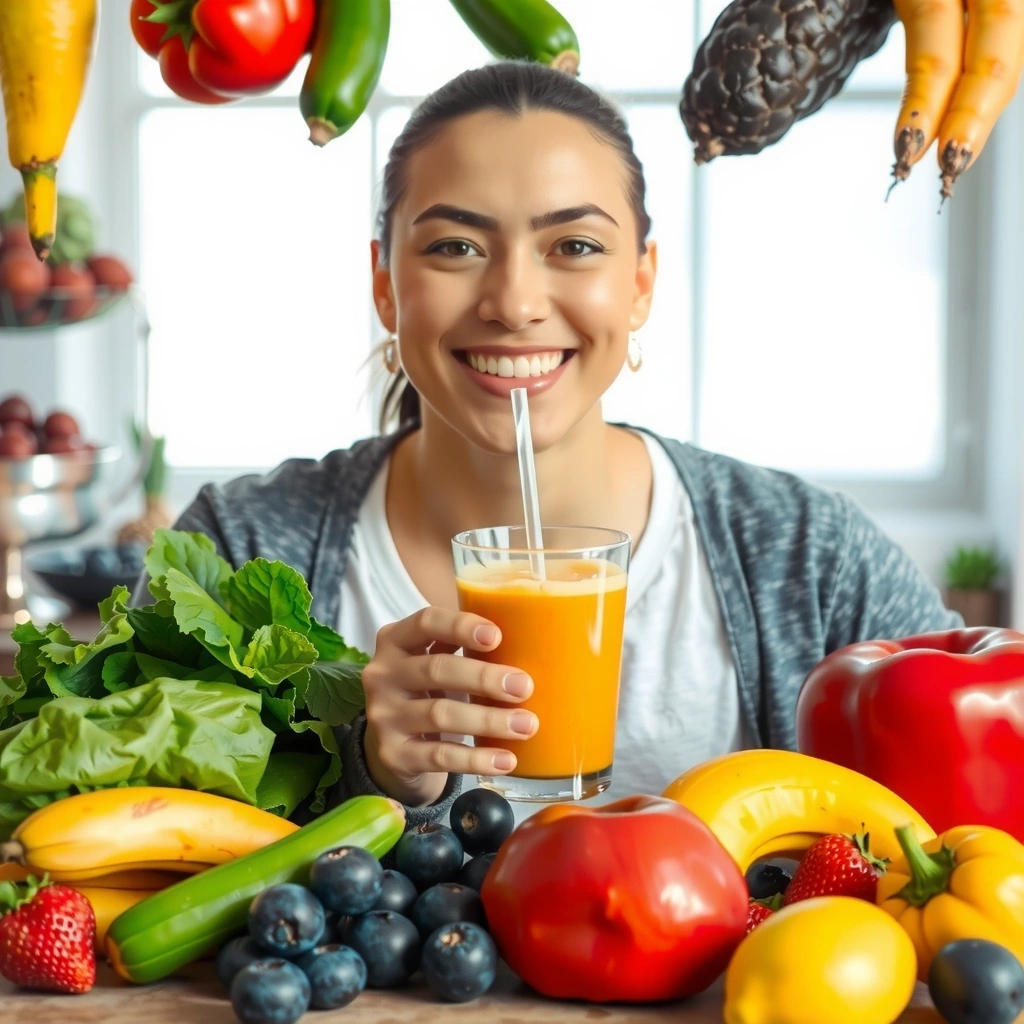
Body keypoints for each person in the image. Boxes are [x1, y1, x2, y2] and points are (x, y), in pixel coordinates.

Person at [141, 60, 960, 827]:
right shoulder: (239, 554)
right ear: (386, 285)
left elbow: (972, 835)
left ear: (640, 283)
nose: (515, 302)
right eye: (455, 247)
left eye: (574, 246)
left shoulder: (811, 560)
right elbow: (140, 858)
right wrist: (367, 771)